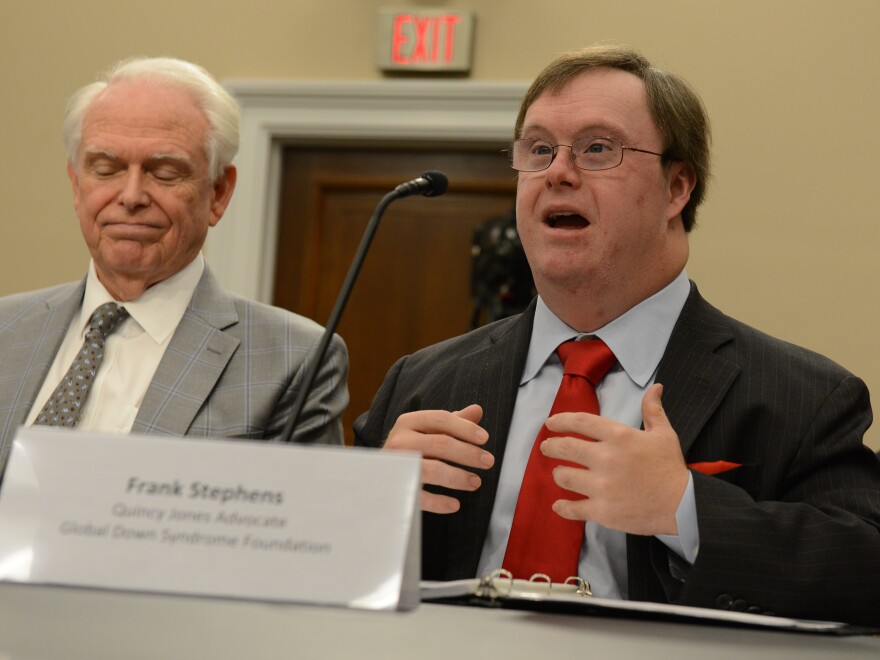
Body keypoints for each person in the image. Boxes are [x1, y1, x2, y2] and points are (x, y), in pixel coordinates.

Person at [355, 44, 880, 626]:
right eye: (537, 149)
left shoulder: (804, 396)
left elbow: (866, 571)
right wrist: (365, 505)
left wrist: (685, 508)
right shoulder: (423, 382)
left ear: (677, 188)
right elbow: (323, 575)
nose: (557, 171)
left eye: (597, 149)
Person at [0, 57, 348, 463]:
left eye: (164, 173)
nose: (131, 196)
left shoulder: (292, 359)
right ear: (76, 185)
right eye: (106, 168)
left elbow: (299, 521)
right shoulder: (7, 330)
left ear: (218, 193)